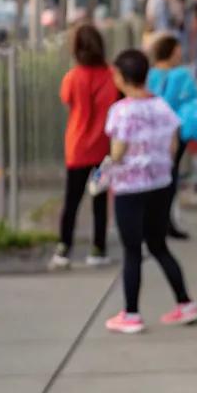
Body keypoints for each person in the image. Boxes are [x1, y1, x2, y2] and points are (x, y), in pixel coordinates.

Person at [104, 47, 197, 334]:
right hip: (160, 184)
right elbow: (173, 146)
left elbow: (118, 151)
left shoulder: (120, 110)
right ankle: (185, 303)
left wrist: (105, 172)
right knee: (158, 245)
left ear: (120, 77)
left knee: (132, 250)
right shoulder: (161, 106)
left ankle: (131, 314)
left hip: (130, 188)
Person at [50, 23, 119, 271]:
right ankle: (98, 249)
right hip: (104, 149)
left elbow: (66, 99)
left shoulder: (72, 77)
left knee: (72, 200)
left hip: (77, 147)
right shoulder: (113, 75)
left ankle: (63, 248)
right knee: (100, 199)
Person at [147, 33, 197, 240]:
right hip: (174, 133)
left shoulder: (149, 75)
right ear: (170, 53)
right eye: (177, 51)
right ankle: (165, 219)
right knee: (170, 177)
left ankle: (155, 219)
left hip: (151, 133)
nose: (180, 55)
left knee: (154, 176)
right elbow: (193, 101)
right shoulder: (182, 75)